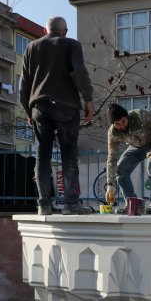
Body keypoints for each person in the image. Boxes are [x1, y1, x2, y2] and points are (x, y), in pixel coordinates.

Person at [19, 16, 95, 215]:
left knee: (42, 156)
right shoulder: (71, 45)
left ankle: (44, 204)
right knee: (68, 153)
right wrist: (88, 99)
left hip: (39, 107)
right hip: (66, 106)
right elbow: (79, 73)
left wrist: (28, 111)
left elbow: (24, 84)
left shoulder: (31, 48)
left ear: (45, 31)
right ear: (65, 30)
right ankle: (71, 203)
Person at [105, 104, 151, 214]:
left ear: (127, 117)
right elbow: (112, 158)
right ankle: (132, 203)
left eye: (123, 121)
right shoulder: (113, 133)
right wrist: (110, 185)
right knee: (120, 170)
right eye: (117, 124)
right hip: (136, 147)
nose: (122, 126)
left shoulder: (140, 115)